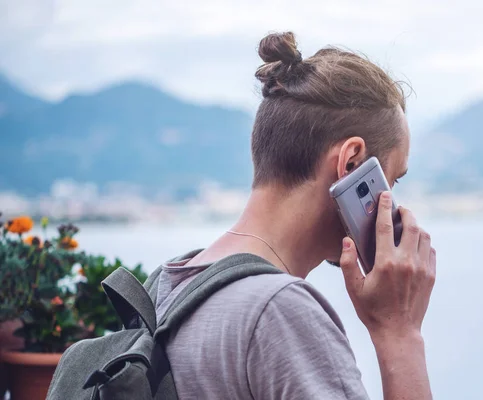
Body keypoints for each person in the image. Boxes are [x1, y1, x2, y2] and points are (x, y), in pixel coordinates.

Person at [155, 32, 436, 399]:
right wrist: (400, 331)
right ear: (351, 163)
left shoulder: (169, 285)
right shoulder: (280, 311)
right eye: (390, 180)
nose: (393, 205)